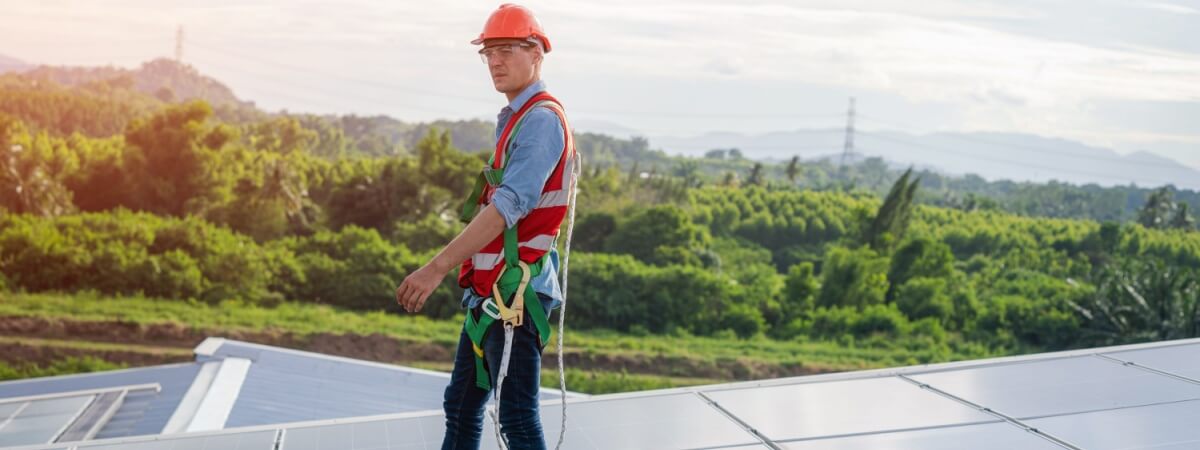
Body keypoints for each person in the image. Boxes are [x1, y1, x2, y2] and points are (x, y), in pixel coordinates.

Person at [393, 4, 575, 449]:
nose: (495, 61)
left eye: (507, 50)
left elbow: (506, 209)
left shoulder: (540, 120)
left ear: (537, 52)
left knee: (515, 418)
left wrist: (434, 268)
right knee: (461, 406)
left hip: (513, 296)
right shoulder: (515, 117)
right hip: (491, 291)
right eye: (489, 52)